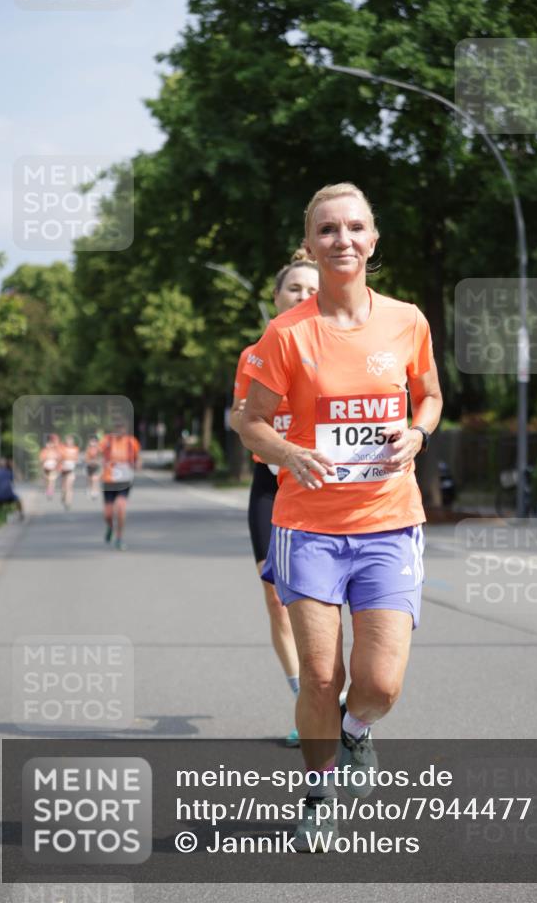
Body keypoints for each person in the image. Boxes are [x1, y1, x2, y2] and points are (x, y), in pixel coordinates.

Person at [240, 182, 443, 850]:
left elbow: (430, 396)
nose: (343, 240)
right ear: (310, 243)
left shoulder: (407, 320)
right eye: (327, 230)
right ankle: (320, 791)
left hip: (389, 521)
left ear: (373, 238)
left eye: (355, 227)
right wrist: (288, 451)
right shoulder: (286, 334)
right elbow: (251, 422)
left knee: (379, 684)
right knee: (322, 675)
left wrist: (416, 433)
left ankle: (358, 734)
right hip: (309, 527)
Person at [230, 250, 319, 748]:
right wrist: (242, 416)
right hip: (271, 486)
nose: (304, 296)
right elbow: (237, 420)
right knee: (276, 599)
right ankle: (305, 697)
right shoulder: (254, 355)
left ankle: (330, 694)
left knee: (327, 599)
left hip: (323, 488)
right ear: (276, 297)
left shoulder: (334, 347)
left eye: (312, 289)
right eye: (294, 289)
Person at [100, 421, 141, 551]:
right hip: (109, 480)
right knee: (108, 514)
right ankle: (110, 527)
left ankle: (119, 538)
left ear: (126, 429)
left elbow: (138, 458)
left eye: (122, 428)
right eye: (117, 428)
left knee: (121, 508)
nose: (120, 431)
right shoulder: (107, 440)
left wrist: (138, 464)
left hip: (124, 480)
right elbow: (96, 452)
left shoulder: (131, 442)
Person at [59, 434, 79, 510]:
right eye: (68, 440)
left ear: (73, 441)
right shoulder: (62, 448)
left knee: (69, 486)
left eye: (71, 440)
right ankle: (63, 496)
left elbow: (76, 459)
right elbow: (59, 458)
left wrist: (73, 463)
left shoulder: (75, 449)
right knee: (64, 487)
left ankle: (68, 502)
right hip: (63, 470)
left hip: (71, 470)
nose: (69, 442)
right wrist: (62, 465)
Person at [39, 433, 61, 500]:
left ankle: (50, 493)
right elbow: (41, 460)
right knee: (47, 481)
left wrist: (58, 467)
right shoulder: (44, 451)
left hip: (53, 469)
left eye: (51, 443)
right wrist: (42, 467)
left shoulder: (56, 451)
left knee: (51, 481)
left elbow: (59, 459)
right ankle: (48, 490)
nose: (50, 445)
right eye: (48, 443)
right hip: (46, 468)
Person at [84, 435, 102, 499]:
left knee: (95, 478)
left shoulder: (99, 448)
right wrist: (89, 462)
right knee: (90, 479)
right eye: (91, 441)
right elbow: (86, 458)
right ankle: (90, 488)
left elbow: (101, 457)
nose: (93, 442)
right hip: (89, 466)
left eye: (94, 441)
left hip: (97, 466)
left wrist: (98, 461)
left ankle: (95, 491)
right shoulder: (88, 449)